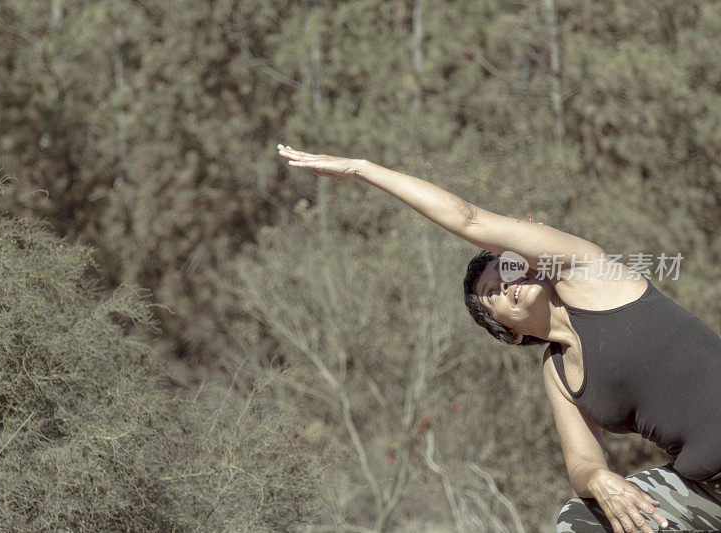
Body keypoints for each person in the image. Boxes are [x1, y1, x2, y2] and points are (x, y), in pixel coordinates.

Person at [277, 144, 721, 533]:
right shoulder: (558, 372)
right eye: (494, 293)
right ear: (509, 334)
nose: (508, 283)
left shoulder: (589, 275)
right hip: (706, 491)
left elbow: (469, 220)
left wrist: (362, 169)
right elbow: (582, 463)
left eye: (509, 268)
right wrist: (599, 481)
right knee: (580, 519)